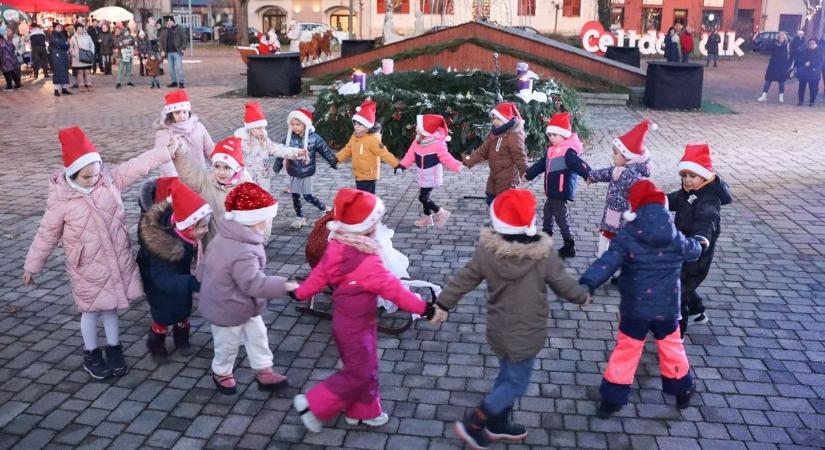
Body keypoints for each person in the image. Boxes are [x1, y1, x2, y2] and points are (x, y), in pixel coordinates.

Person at [432, 189, 590, 448]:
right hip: (527, 331)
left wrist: (442, 303)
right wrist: (582, 297)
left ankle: (498, 422)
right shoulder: (544, 254)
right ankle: (475, 423)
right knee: (516, 383)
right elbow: (563, 283)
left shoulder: (487, 251)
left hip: (499, 327)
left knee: (507, 376)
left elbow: (464, 278)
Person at [23, 127, 179, 380]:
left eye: (96, 174)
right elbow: (46, 234)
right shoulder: (61, 201)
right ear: (73, 174)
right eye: (87, 177)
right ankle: (91, 352)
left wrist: (164, 152)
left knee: (111, 308)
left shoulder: (109, 181)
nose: (93, 179)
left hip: (115, 259)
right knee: (90, 310)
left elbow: (138, 164)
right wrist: (32, 265)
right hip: (86, 266)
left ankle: (114, 348)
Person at [291, 188, 433, 433]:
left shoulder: (336, 247)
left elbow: (318, 277)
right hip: (357, 328)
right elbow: (395, 291)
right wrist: (423, 308)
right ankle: (313, 404)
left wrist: (300, 293)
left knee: (364, 368)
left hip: (345, 323)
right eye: (376, 221)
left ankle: (365, 411)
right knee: (360, 373)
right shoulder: (369, 260)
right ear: (367, 226)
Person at [580, 180, 704, 417]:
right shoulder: (675, 237)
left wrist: (587, 284)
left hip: (634, 310)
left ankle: (612, 399)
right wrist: (700, 243)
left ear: (633, 209)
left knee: (626, 350)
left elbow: (606, 263)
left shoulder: (627, 237)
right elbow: (693, 250)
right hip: (667, 310)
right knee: (671, 348)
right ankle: (682, 391)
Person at [200, 182, 297, 394]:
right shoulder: (243, 249)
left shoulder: (228, 235)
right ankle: (221, 372)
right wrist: (286, 286)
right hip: (226, 306)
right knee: (227, 343)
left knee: (257, 335)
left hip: (242, 303)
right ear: (257, 221)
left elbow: (204, 266)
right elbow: (254, 283)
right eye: (268, 218)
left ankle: (264, 370)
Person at [138, 178, 210, 360]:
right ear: (188, 226)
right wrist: (192, 283)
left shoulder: (183, 232)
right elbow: (162, 278)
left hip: (178, 274)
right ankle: (156, 343)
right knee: (163, 313)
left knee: (183, 308)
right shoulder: (162, 246)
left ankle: (182, 339)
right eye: (202, 227)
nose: (206, 230)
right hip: (157, 280)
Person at [669, 144, 732, 336]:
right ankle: (697, 311)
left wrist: (701, 239)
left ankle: (675, 333)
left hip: (697, 255)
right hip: (682, 248)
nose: (687, 180)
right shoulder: (688, 192)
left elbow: (707, 219)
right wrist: (653, 200)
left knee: (678, 290)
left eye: (692, 176)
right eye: (684, 176)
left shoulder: (708, 199)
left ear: (704, 176)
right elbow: (673, 199)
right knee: (682, 283)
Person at [524, 112, 592, 258]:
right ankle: (544, 241)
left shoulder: (568, 151)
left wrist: (589, 175)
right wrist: (529, 174)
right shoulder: (551, 149)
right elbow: (542, 164)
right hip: (552, 191)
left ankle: (569, 245)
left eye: (555, 135)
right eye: (550, 135)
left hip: (560, 191)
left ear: (564, 135)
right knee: (548, 213)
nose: (551, 138)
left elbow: (579, 165)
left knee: (561, 218)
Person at [587, 119, 655, 258]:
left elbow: (642, 195)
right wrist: (592, 176)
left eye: (616, 153)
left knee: (617, 240)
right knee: (606, 235)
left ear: (628, 156)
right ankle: (604, 259)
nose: (612, 155)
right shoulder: (620, 169)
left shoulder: (633, 176)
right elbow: (606, 172)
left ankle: (608, 262)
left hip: (624, 217)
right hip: (613, 212)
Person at [173, 136, 252, 246]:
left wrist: (259, 240)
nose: (221, 172)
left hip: (235, 248)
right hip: (209, 246)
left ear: (236, 168)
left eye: (227, 167)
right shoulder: (205, 181)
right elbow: (188, 170)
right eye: (217, 166)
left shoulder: (246, 189)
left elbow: (261, 218)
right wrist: (179, 149)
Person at [273, 108, 338, 229]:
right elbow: (281, 153)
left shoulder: (314, 138)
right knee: (295, 196)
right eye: (292, 124)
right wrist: (277, 166)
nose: (295, 127)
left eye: (298, 124)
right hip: (293, 171)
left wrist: (332, 161)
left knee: (307, 196)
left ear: (305, 124)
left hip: (307, 172)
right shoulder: (288, 139)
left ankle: (323, 207)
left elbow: (325, 150)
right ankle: (300, 217)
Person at [397, 114, 462, 228]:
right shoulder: (417, 141)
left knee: (423, 198)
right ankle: (427, 219)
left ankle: (441, 212)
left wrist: (456, 165)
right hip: (421, 174)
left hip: (432, 175)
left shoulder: (437, 144)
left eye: (418, 126)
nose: (416, 127)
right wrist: (402, 165)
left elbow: (446, 157)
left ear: (425, 130)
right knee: (424, 196)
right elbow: (410, 155)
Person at [463, 102, 529, 205]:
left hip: (508, 176)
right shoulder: (495, 133)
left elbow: (519, 155)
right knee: (490, 197)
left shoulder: (514, 135)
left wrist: (525, 172)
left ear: (506, 120)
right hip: (494, 173)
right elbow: (483, 150)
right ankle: (495, 219)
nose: (495, 122)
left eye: (498, 119)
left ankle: (503, 220)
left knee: (503, 201)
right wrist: (468, 161)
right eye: (493, 118)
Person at [232, 101, 307, 192]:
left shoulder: (264, 141)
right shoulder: (240, 142)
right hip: (246, 180)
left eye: (263, 128)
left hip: (263, 181)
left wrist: (296, 152)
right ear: (250, 129)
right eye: (259, 128)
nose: (262, 131)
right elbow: (231, 157)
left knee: (262, 203)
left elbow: (279, 149)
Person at [335, 99, 401, 195]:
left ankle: (374, 209)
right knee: (362, 195)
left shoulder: (373, 139)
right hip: (358, 173)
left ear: (367, 126)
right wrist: (336, 159)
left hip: (369, 175)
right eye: (355, 124)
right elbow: (347, 150)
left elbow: (384, 153)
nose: (356, 127)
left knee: (367, 196)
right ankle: (370, 208)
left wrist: (396, 165)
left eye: (360, 125)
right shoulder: (355, 136)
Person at [154, 89, 215, 176]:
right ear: (171, 114)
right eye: (177, 112)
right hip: (179, 180)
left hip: (200, 176)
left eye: (184, 111)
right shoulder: (164, 133)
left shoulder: (198, 127)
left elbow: (209, 148)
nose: (182, 115)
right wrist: (173, 177)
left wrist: (220, 163)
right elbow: (164, 158)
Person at [757, 31, 792, 103]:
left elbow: (790, 56)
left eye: (783, 37)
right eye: (780, 37)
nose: (781, 38)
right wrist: (773, 41)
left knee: (781, 82)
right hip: (773, 65)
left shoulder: (787, 45)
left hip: (782, 66)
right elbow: (766, 49)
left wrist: (788, 65)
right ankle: (764, 95)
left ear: (785, 38)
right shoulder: (774, 43)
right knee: (768, 80)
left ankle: (781, 96)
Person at [159, 16, 187, 88]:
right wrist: (162, 50)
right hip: (169, 53)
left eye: (171, 21)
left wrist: (183, 48)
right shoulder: (164, 30)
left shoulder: (179, 28)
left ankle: (181, 82)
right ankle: (174, 82)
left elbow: (185, 39)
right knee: (171, 69)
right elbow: (161, 41)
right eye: (168, 21)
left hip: (177, 52)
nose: (169, 22)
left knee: (179, 68)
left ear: (173, 22)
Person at [796, 39, 823, 106]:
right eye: (810, 43)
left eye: (813, 43)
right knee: (801, 88)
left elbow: (820, 62)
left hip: (814, 73)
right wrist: (804, 63)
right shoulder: (804, 51)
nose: (811, 45)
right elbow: (799, 60)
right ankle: (800, 101)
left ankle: (812, 102)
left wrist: (810, 63)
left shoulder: (820, 52)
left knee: (813, 88)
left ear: (816, 44)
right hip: (804, 72)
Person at [70, 23, 94, 91]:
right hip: (77, 58)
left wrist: (92, 52)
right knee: (80, 71)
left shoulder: (88, 37)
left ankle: (89, 84)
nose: (80, 31)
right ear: (76, 30)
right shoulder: (73, 37)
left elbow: (92, 45)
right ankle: (81, 84)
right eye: (78, 29)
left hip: (86, 56)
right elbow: (71, 47)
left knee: (87, 71)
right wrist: (74, 54)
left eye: (81, 29)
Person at [49, 22, 71, 97]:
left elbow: (67, 44)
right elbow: (57, 43)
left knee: (64, 70)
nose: (59, 28)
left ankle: (64, 88)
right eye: (57, 26)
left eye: (60, 27)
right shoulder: (53, 35)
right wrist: (64, 44)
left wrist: (64, 44)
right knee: (57, 71)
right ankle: (56, 89)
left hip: (63, 54)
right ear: (54, 27)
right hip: (56, 55)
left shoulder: (62, 34)